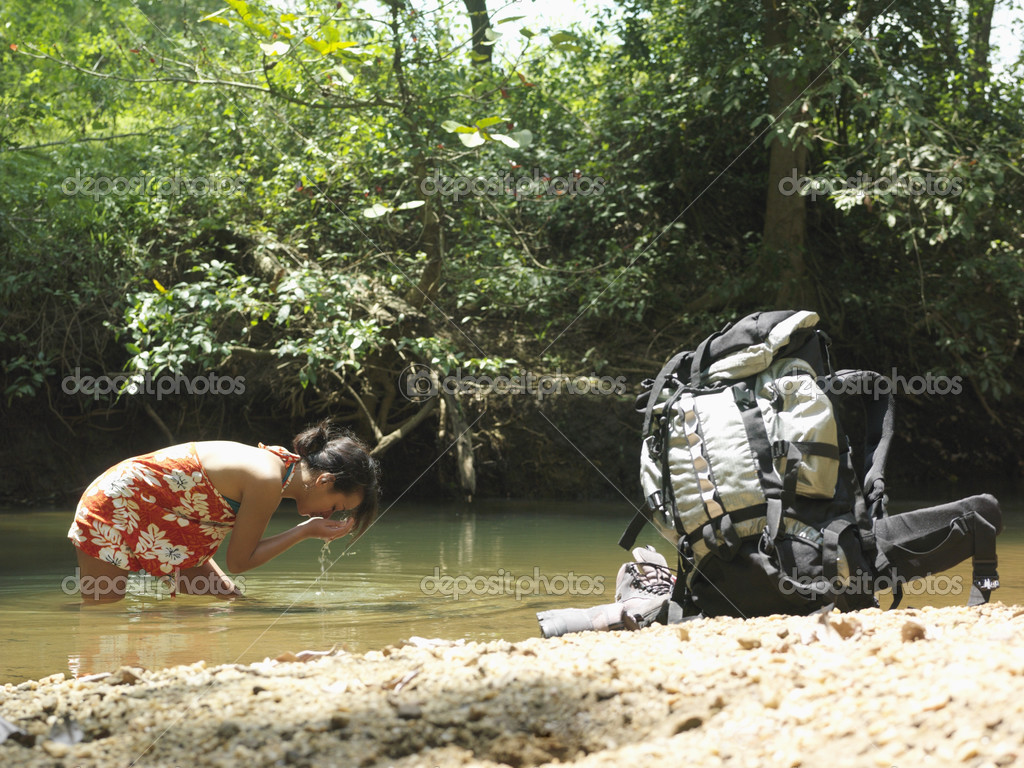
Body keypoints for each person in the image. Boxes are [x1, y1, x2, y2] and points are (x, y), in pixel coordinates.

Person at [67, 420, 380, 603]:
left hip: (165, 523)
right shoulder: (267, 479)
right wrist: (306, 530)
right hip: (115, 506)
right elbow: (239, 561)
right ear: (325, 480)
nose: (327, 516)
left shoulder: (282, 465)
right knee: (102, 613)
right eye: (335, 507)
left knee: (232, 603)